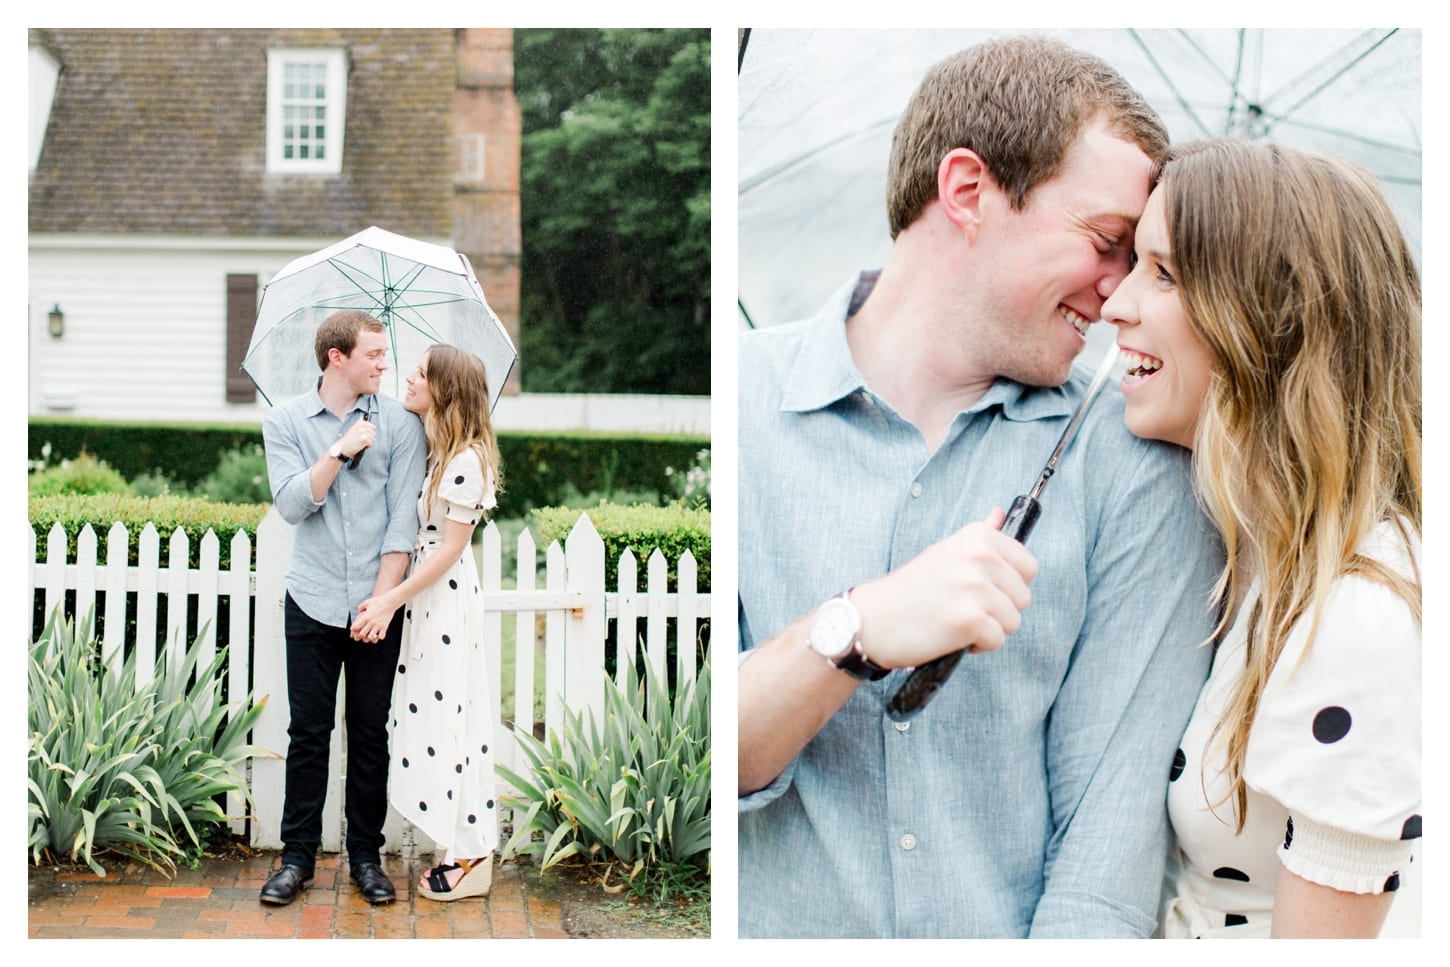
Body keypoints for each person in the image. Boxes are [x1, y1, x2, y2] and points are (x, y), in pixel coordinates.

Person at [737, 35, 1223, 938]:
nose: (1121, 297)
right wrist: (856, 629)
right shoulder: (741, 406)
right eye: (1109, 243)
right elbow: (699, 760)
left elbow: (1103, 874)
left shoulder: (1136, 460)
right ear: (967, 191)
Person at [1100, 138, 1422, 939]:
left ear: (1272, 323)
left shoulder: (1355, 613)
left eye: (1164, 273)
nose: (1116, 303)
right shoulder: (1242, 549)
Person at [259, 309, 427, 906]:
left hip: (376, 602)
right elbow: (290, 505)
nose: (386, 365)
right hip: (312, 596)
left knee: (369, 732)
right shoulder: (284, 421)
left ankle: (365, 858)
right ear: (337, 358)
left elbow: (403, 519)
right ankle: (296, 859)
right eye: (374, 356)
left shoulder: (405, 426)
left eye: (386, 355)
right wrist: (338, 449)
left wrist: (381, 602)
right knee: (309, 732)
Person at [349, 345, 504, 901]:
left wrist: (390, 600)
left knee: (451, 720)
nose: (408, 379)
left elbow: (448, 550)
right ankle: (458, 847)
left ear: (445, 389)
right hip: (427, 601)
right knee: (437, 717)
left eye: (420, 374)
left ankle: (470, 851)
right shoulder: (442, 452)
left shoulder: (466, 460)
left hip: (442, 601)